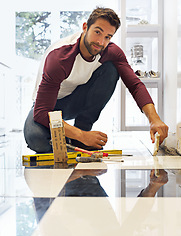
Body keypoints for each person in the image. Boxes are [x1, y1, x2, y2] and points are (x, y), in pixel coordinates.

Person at [24, 7, 168, 153]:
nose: (100, 42)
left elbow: (135, 85)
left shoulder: (110, 52)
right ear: (85, 27)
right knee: (38, 141)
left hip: (74, 101)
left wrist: (154, 119)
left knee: (111, 70)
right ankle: (77, 137)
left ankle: (79, 132)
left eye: (108, 37)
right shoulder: (60, 57)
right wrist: (82, 136)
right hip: (48, 106)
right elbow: (42, 112)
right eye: (97, 32)